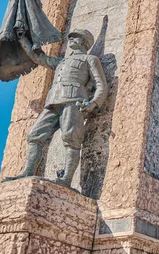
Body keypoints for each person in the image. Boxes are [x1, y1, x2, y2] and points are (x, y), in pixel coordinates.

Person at [9, 28, 107, 187]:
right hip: (53, 101)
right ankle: (28, 171)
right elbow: (39, 57)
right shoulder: (61, 61)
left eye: (75, 38)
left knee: (71, 138)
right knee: (34, 135)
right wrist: (23, 39)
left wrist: (93, 103)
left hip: (74, 100)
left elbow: (101, 85)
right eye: (72, 37)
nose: (71, 40)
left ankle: (66, 179)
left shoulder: (90, 59)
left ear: (83, 42)